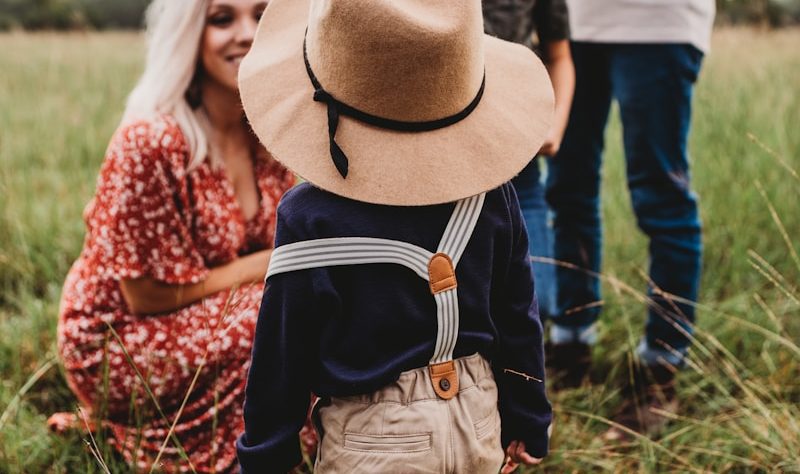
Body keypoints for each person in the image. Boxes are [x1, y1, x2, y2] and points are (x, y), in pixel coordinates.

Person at [235, 0, 555, 472]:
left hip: (372, 437)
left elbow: (282, 357)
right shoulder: (494, 196)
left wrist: (266, 456)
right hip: (479, 419)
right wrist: (529, 413)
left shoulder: (308, 217)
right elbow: (517, 316)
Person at [52, 0, 294, 471]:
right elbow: (143, 295)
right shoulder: (152, 140)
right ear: (190, 37)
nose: (247, 33)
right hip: (119, 336)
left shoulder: (269, 133)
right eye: (222, 19)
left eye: (261, 16)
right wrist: (264, 266)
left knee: (302, 305)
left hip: (208, 312)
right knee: (279, 314)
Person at [545, 0, 715, 437]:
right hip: (569, 22)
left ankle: (661, 370)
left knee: (661, 197)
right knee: (566, 186)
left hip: (659, 23)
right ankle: (571, 344)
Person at [482, 0, 574, 322]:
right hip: (432, 158)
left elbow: (559, 55)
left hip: (518, 164)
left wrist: (554, 126)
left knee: (538, 304)